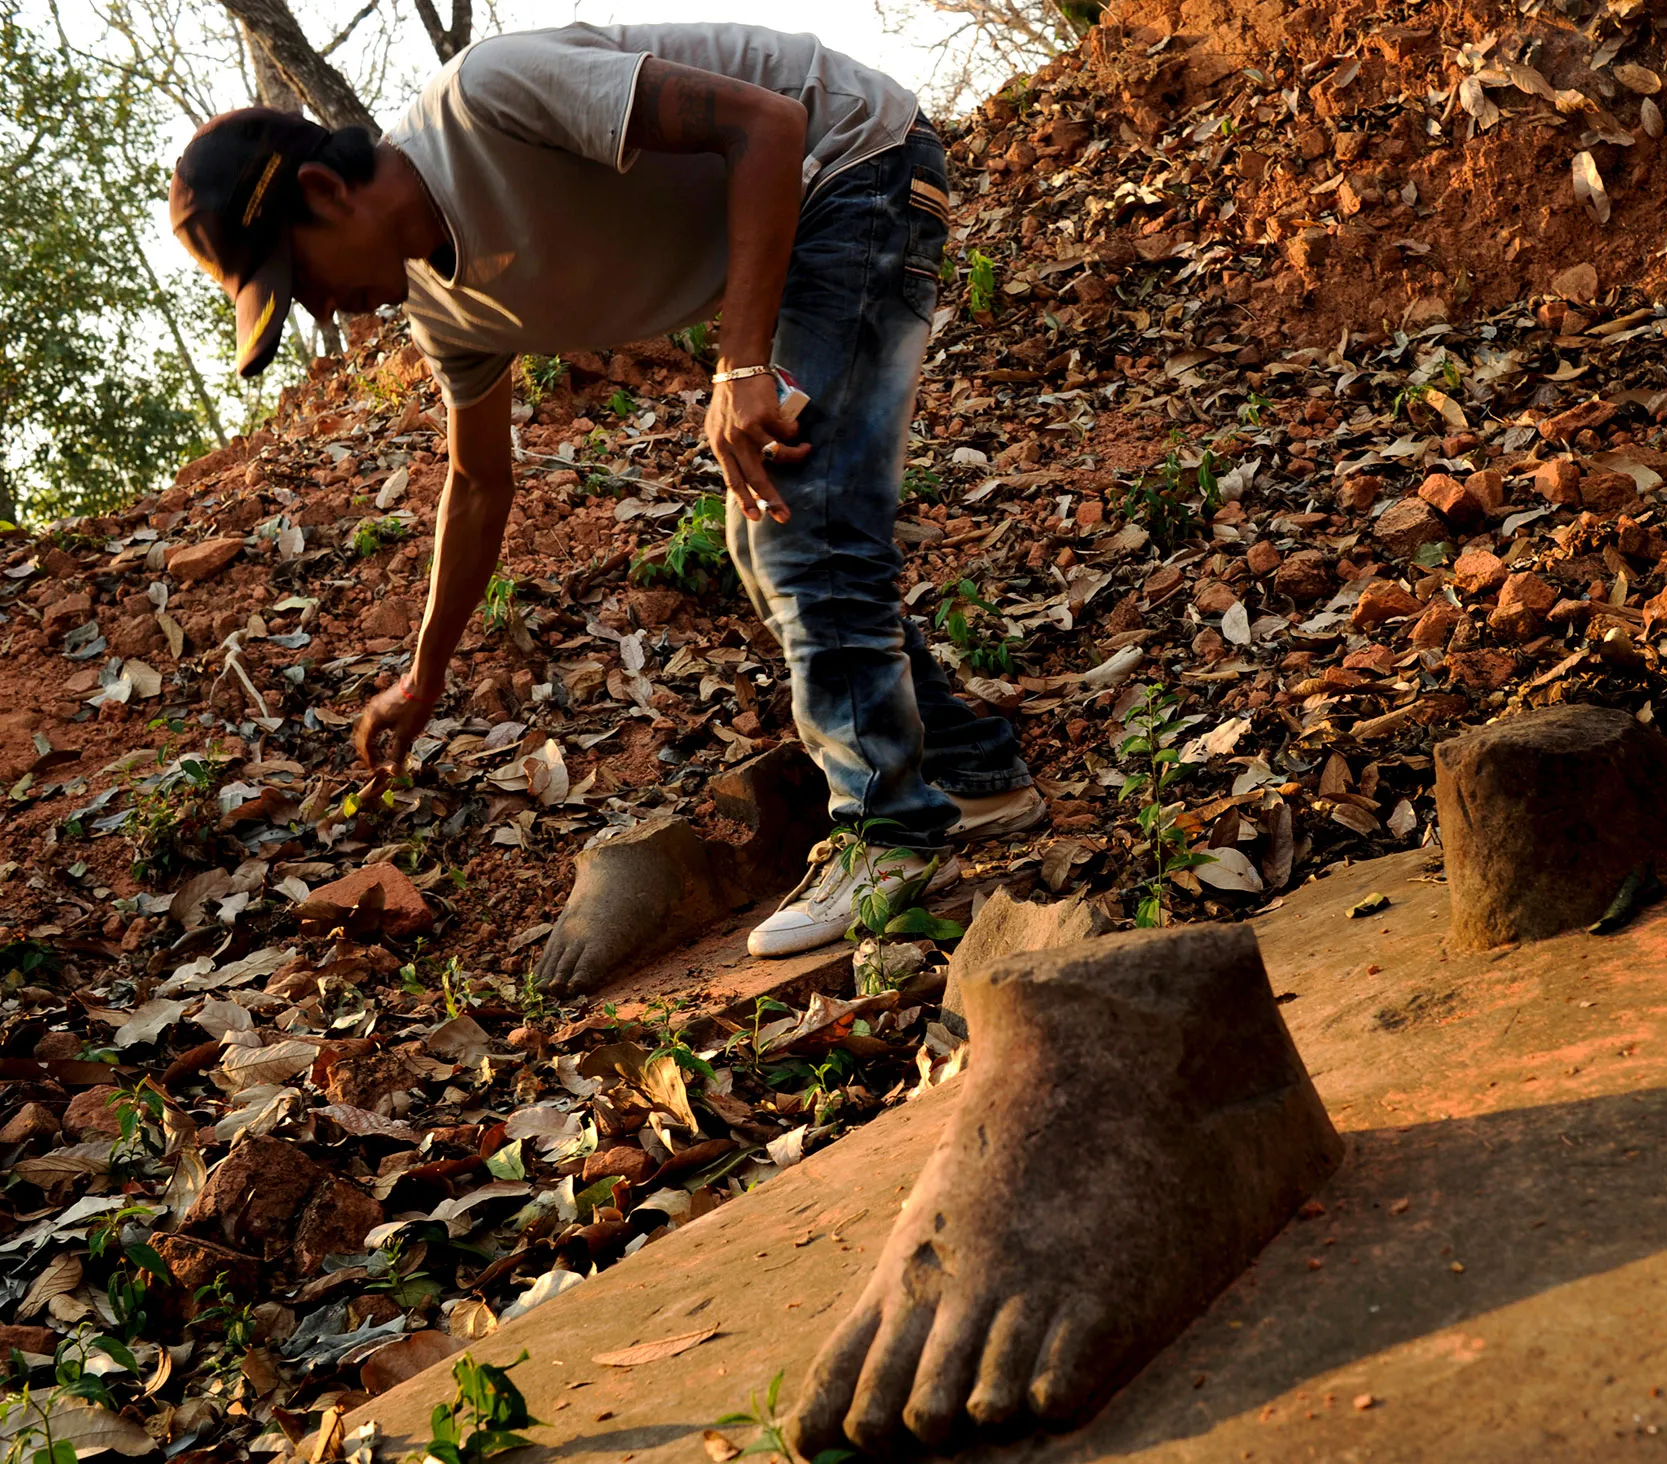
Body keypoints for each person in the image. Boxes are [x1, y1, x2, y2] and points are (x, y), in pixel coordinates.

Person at [167, 23, 1042, 962]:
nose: (319, 310)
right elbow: (476, 482)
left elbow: (770, 125)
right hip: (804, 218)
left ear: (324, 190)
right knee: (772, 527)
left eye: (298, 281)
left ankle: (890, 835)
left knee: (802, 517)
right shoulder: (439, 309)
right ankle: (974, 773)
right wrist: (425, 674)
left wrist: (740, 366)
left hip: (855, 158)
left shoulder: (487, 100)